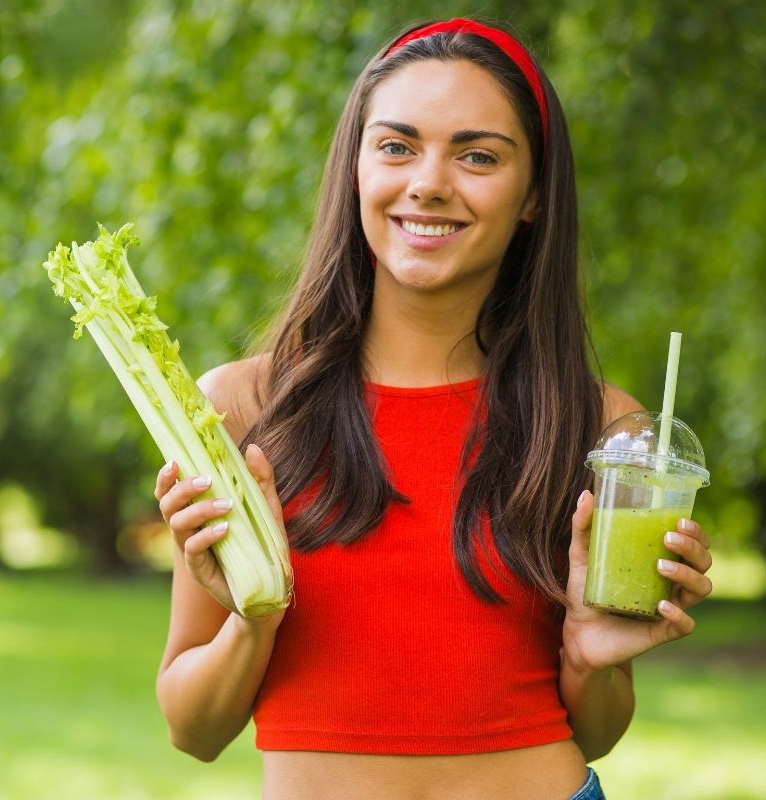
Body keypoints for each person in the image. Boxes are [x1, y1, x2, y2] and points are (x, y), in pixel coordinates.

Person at [152, 17, 713, 800]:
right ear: (355, 171)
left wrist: (591, 657)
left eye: (478, 155)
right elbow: (194, 730)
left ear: (534, 198)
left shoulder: (605, 431)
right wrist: (254, 617)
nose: (429, 182)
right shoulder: (241, 407)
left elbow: (595, 731)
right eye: (396, 146)